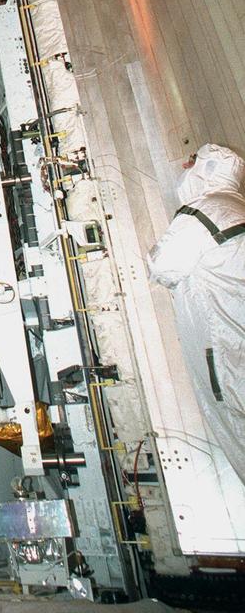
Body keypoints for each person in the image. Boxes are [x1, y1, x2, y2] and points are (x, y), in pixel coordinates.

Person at [147, 143, 245, 484]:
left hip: (226, 352)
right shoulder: (237, 207)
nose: (184, 173)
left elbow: (164, 267)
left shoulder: (202, 212)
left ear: (206, 172)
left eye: (191, 166)